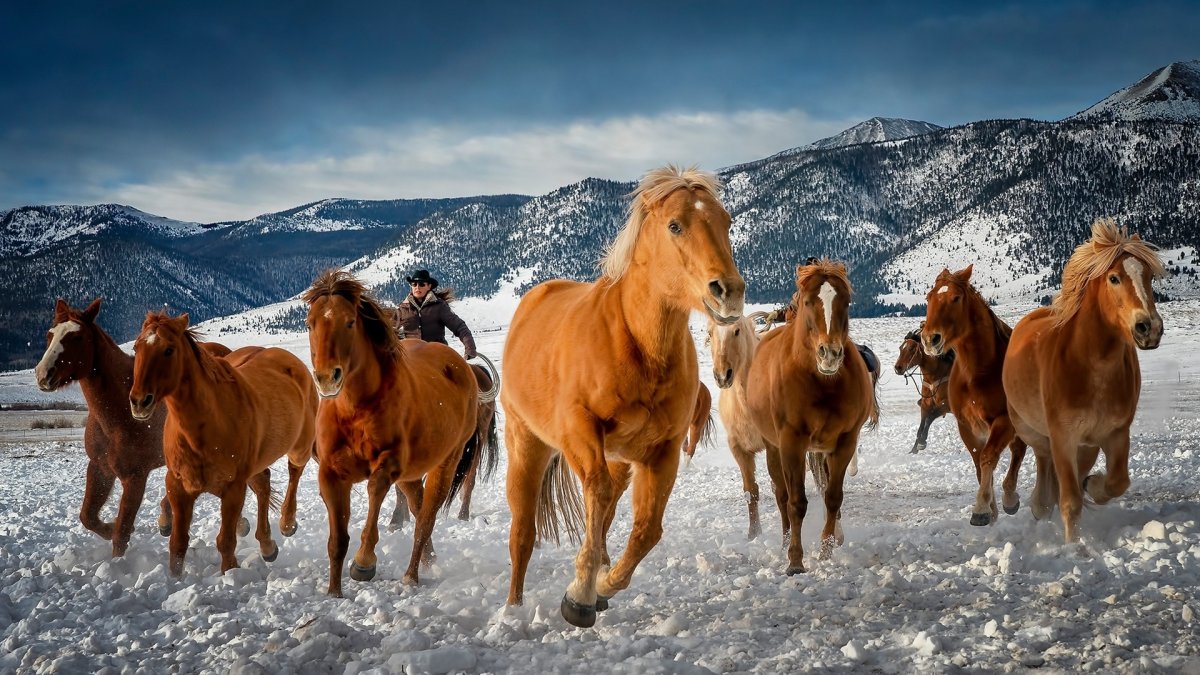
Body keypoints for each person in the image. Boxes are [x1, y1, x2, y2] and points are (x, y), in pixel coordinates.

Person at [393, 269, 477, 360]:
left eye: (421, 284)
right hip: (411, 357)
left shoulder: (440, 306)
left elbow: (459, 327)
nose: (417, 287)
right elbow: (388, 330)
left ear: (429, 286)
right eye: (414, 284)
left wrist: (470, 349)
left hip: (437, 356)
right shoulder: (402, 309)